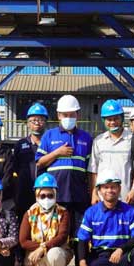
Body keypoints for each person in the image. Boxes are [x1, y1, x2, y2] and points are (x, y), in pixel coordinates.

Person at [35, 94, 93, 249]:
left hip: (79, 195)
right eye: (65, 115)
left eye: (72, 115)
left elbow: (90, 169)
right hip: (57, 195)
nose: (68, 118)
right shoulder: (49, 135)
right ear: (58, 115)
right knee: (57, 232)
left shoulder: (86, 138)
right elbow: (39, 163)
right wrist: (56, 153)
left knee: (79, 234)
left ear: (78, 115)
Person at [19, 173, 72, 266]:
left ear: (55, 195)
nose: (46, 199)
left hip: (57, 251)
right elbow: (23, 241)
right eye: (42, 195)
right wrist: (39, 249)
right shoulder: (29, 213)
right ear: (37, 196)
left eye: (50, 195)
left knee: (54, 253)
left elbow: (62, 237)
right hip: (35, 256)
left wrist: (43, 248)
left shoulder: (63, 212)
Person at [88, 99, 134, 206]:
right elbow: (93, 170)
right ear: (104, 121)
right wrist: (94, 193)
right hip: (103, 199)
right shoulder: (98, 141)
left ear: (122, 119)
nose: (112, 122)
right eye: (109, 119)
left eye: (116, 118)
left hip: (126, 198)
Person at [14, 103, 49, 219]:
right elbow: (15, 168)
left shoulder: (50, 144)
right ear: (28, 123)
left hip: (45, 191)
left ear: (46, 122)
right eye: (33, 120)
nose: (37, 123)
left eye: (41, 120)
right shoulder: (20, 144)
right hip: (24, 193)